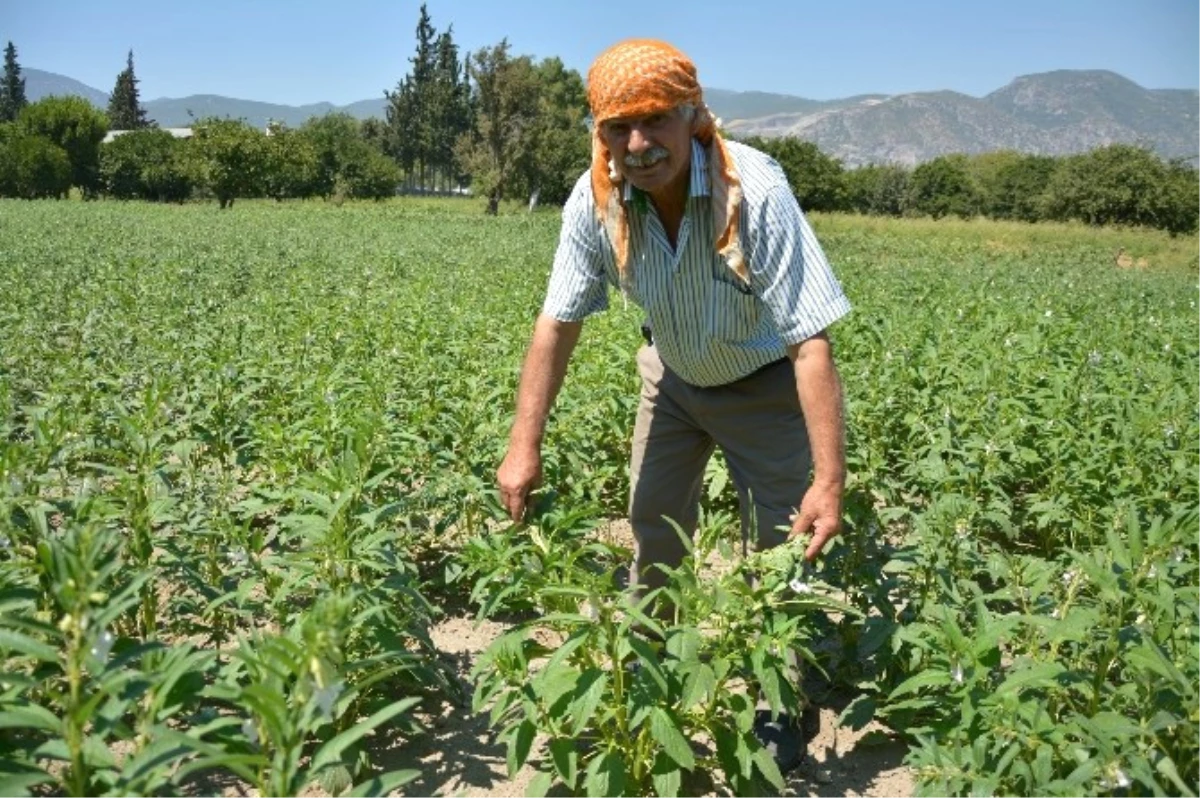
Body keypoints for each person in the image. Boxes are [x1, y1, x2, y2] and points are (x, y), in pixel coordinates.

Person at [496, 38, 851, 767]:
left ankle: (783, 701)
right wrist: (522, 444)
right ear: (598, 133)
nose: (637, 143)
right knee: (652, 527)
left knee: (785, 551)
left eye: (654, 119)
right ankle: (646, 673)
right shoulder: (595, 198)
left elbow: (809, 343)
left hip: (763, 384)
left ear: (692, 116)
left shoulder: (755, 189)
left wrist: (830, 478)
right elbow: (557, 323)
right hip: (674, 374)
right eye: (615, 126)